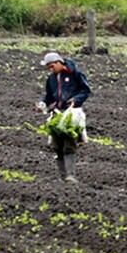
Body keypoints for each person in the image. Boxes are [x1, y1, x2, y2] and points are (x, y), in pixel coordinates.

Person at [37, 51, 92, 183]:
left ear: (59, 63)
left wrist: (76, 100)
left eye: (52, 66)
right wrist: (43, 103)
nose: (51, 70)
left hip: (72, 113)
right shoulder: (51, 79)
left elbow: (86, 90)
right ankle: (62, 176)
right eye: (48, 68)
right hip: (57, 113)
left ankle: (70, 175)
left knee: (69, 143)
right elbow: (49, 95)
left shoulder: (75, 74)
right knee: (57, 145)